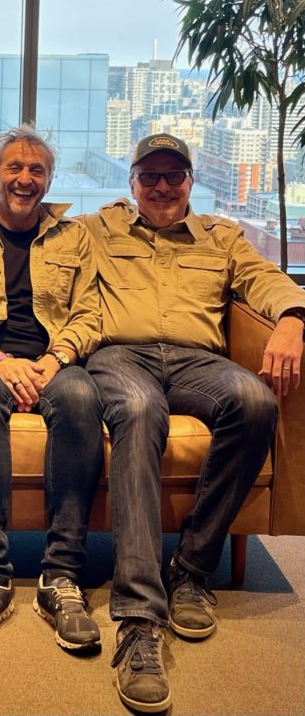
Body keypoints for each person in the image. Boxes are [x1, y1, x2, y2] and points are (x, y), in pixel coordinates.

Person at [83, 132, 305, 714]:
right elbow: (30, 223)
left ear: (189, 181)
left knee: (254, 401)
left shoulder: (221, 235)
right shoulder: (99, 229)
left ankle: (192, 568)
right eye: (149, 176)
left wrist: (292, 318)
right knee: (138, 410)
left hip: (195, 360)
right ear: (132, 183)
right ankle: (139, 619)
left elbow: (266, 279)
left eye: (173, 176)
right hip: (120, 356)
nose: (162, 187)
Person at [0, 125, 103, 652]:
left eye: (37, 170)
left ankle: (62, 576)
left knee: (81, 397)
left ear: (49, 181)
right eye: (14, 167)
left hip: (55, 362)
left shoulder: (74, 237)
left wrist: (55, 359)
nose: (25, 178)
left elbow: (89, 313)